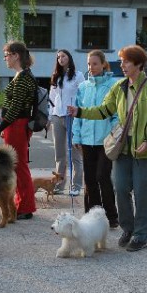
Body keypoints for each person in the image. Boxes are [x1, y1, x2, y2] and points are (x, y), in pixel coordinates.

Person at [68, 45, 147, 252]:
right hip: (123, 148)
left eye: (126, 61)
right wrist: (80, 112)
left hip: (145, 151)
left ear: (138, 64)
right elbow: (104, 110)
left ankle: (141, 235)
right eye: (121, 61)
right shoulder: (119, 87)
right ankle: (128, 228)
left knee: (141, 192)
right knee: (121, 188)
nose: (121, 65)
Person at [0, 42, 38, 220]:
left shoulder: (24, 78)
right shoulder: (21, 75)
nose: (5, 58)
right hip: (13, 125)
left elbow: (15, 108)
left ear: (16, 55)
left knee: (18, 165)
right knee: (16, 165)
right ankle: (21, 203)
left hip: (17, 125)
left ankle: (25, 206)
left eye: (7, 54)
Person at [72, 50, 120, 229]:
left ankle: (111, 216)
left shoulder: (112, 85)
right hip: (86, 140)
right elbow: (78, 113)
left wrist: (113, 134)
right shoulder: (83, 87)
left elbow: (116, 114)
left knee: (103, 176)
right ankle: (91, 215)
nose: (91, 68)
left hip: (105, 140)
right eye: (89, 64)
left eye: (95, 64)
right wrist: (76, 135)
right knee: (90, 179)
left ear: (103, 64)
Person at [49, 49, 84, 195]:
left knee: (74, 153)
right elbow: (52, 97)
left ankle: (76, 185)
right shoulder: (56, 76)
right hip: (58, 116)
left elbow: (83, 95)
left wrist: (79, 111)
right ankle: (59, 183)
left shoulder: (78, 75)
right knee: (60, 154)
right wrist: (50, 115)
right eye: (58, 57)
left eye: (63, 56)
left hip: (72, 116)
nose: (60, 59)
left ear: (69, 57)